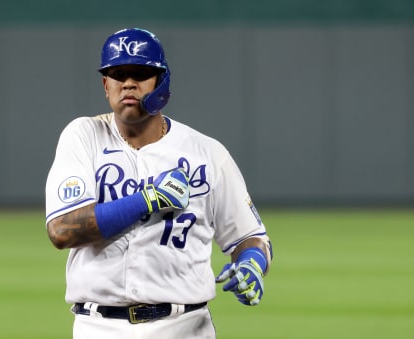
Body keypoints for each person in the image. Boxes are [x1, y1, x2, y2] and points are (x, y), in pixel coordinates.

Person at [45, 27, 273, 339]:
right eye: (117, 73)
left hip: (184, 327)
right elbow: (61, 230)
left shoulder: (207, 154)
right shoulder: (84, 136)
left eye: (140, 73)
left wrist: (251, 264)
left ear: (161, 81)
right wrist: (147, 200)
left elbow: (251, 237)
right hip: (98, 327)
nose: (128, 82)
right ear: (105, 84)